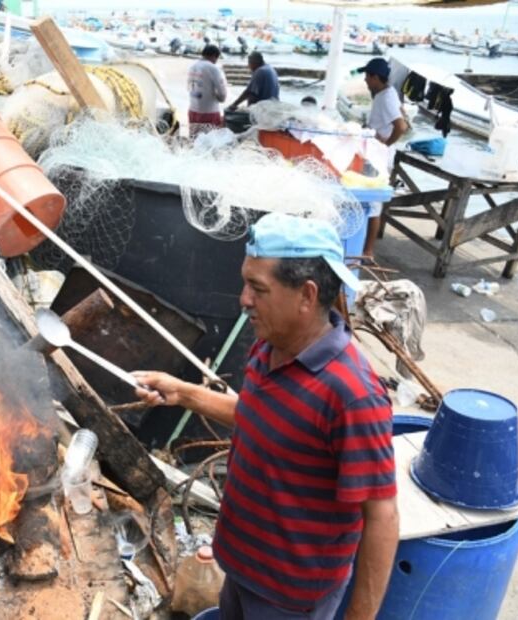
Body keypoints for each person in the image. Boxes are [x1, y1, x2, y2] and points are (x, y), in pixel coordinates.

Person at [134, 213, 398, 620]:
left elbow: (381, 517)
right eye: (245, 284)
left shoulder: (352, 395)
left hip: (289, 599)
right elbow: (255, 416)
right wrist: (183, 393)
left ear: (307, 295)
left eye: (258, 288)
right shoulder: (270, 344)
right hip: (240, 568)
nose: (244, 299)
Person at [358, 58, 407, 260]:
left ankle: (368, 251)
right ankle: (365, 247)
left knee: (373, 203)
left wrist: (385, 144)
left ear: (376, 77)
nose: (365, 80)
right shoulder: (387, 93)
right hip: (375, 152)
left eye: (367, 76)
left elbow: (401, 126)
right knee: (370, 201)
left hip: (379, 157)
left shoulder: (386, 97)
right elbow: (402, 115)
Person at [187, 45, 228, 138]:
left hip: (193, 111)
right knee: (209, 141)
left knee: (194, 140)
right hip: (209, 113)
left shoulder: (192, 67)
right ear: (214, 56)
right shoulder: (213, 68)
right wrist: (218, 96)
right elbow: (222, 95)